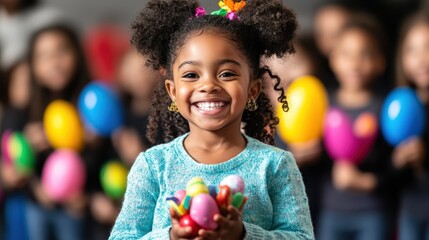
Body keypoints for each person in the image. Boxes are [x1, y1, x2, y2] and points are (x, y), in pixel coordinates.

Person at [110, 0, 314, 239]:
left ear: (253, 89)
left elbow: (301, 236)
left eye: (226, 73)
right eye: (191, 75)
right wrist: (171, 236)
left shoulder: (276, 165)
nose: (208, 85)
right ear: (173, 91)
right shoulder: (153, 165)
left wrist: (242, 234)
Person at [317, 16, 396, 240]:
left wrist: (367, 182)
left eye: (365, 54)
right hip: (332, 209)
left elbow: (394, 165)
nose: (355, 63)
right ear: (333, 59)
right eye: (346, 54)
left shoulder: (385, 106)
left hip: (373, 211)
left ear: (380, 61)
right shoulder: (323, 103)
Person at [23, 24, 90, 240]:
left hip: (77, 208)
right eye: (44, 56)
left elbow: (107, 159)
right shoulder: (26, 110)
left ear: (77, 55)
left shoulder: (90, 103)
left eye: (62, 51)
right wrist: (34, 184)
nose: (54, 62)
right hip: (38, 204)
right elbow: (14, 160)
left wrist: (86, 195)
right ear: (32, 65)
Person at [394, 10, 429, 240]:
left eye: (428, 47)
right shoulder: (397, 104)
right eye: (412, 49)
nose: (421, 58)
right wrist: (396, 161)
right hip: (410, 207)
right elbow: (387, 176)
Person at [113, 47, 162, 166]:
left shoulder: (169, 112)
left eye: (146, 67)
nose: (140, 77)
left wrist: (141, 154)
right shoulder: (119, 113)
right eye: (132, 71)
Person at [0, 59, 31, 240]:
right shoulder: (9, 115)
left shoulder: (34, 114)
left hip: (24, 194)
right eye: (18, 82)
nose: (24, 87)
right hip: (12, 194)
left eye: (28, 82)